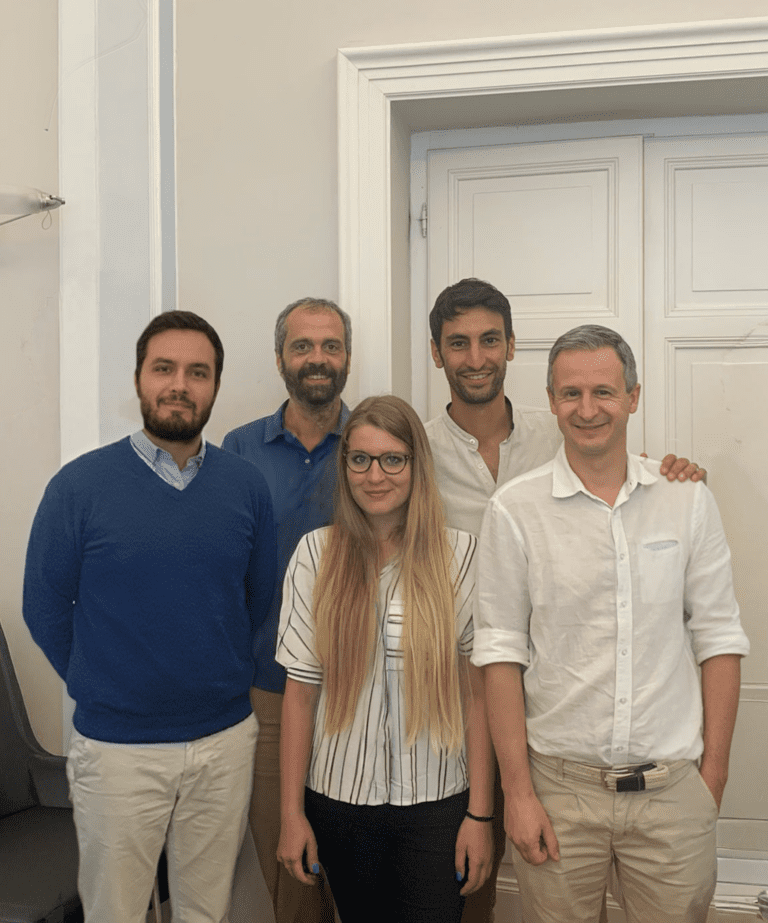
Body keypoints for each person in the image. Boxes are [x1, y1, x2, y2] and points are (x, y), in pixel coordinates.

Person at [424, 278, 705, 923]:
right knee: (466, 879)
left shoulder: (563, 433)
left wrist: (680, 479)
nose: (475, 357)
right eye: (458, 343)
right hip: (455, 698)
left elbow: (630, 494)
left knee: (566, 874)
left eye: (490, 340)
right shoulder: (416, 451)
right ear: (437, 353)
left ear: (511, 346)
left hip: (562, 711)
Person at [473, 324, 750, 923]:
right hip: (558, 793)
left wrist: (712, 779)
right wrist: (517, 793)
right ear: (551, 401)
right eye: (571, 393)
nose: (588, 409)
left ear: (633, 397)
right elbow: (500, 656)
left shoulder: (686, 499)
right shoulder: (515, 511)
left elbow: (720, 639)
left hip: (672, 795)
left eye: (604, 391)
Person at [23, 311, 277, 923]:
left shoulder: (246, 487)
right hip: (117, 751)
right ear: (139, 378)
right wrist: (103, 682)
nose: (179, 385)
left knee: (205, 912)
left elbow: (259, 600)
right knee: (116, 912)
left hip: (223, 741)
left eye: (198, 372)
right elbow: (44, 606)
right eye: (164, 369)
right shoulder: (78, 487)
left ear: (215, 385)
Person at [275, 396, 495, 923]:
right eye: (361, 459)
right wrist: (290, 814)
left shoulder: (461, 555)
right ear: (345, 465)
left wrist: (481, 815)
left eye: (393, 459)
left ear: (417, 465)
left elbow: (478, 696)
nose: (375, 476)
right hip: (339, 802)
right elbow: (300, 696)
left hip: (439, 803)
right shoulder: (314, 555)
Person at [221, 297, 350, 923]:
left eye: (330, 346)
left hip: (365, 695)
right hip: (269, 695)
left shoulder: (374, 443)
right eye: (303, 346)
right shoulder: (238, 451)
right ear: (280, 359)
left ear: (347, 357)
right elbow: (219, 570)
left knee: (362, 864)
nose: (317, 358)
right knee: (290, 864)